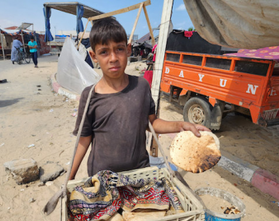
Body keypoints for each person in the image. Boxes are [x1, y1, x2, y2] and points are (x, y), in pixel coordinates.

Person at [69, 18, 210, 180]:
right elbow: (84, 141)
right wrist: (68, 181)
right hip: (102, 178)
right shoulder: (89, 96)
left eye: (119, 49)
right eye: (104, 52)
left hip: (139, 175)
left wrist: (181, 125)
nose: (113, 57)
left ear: (128, 49)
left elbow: (151, 123)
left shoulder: (141, 86)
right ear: (93, 56)